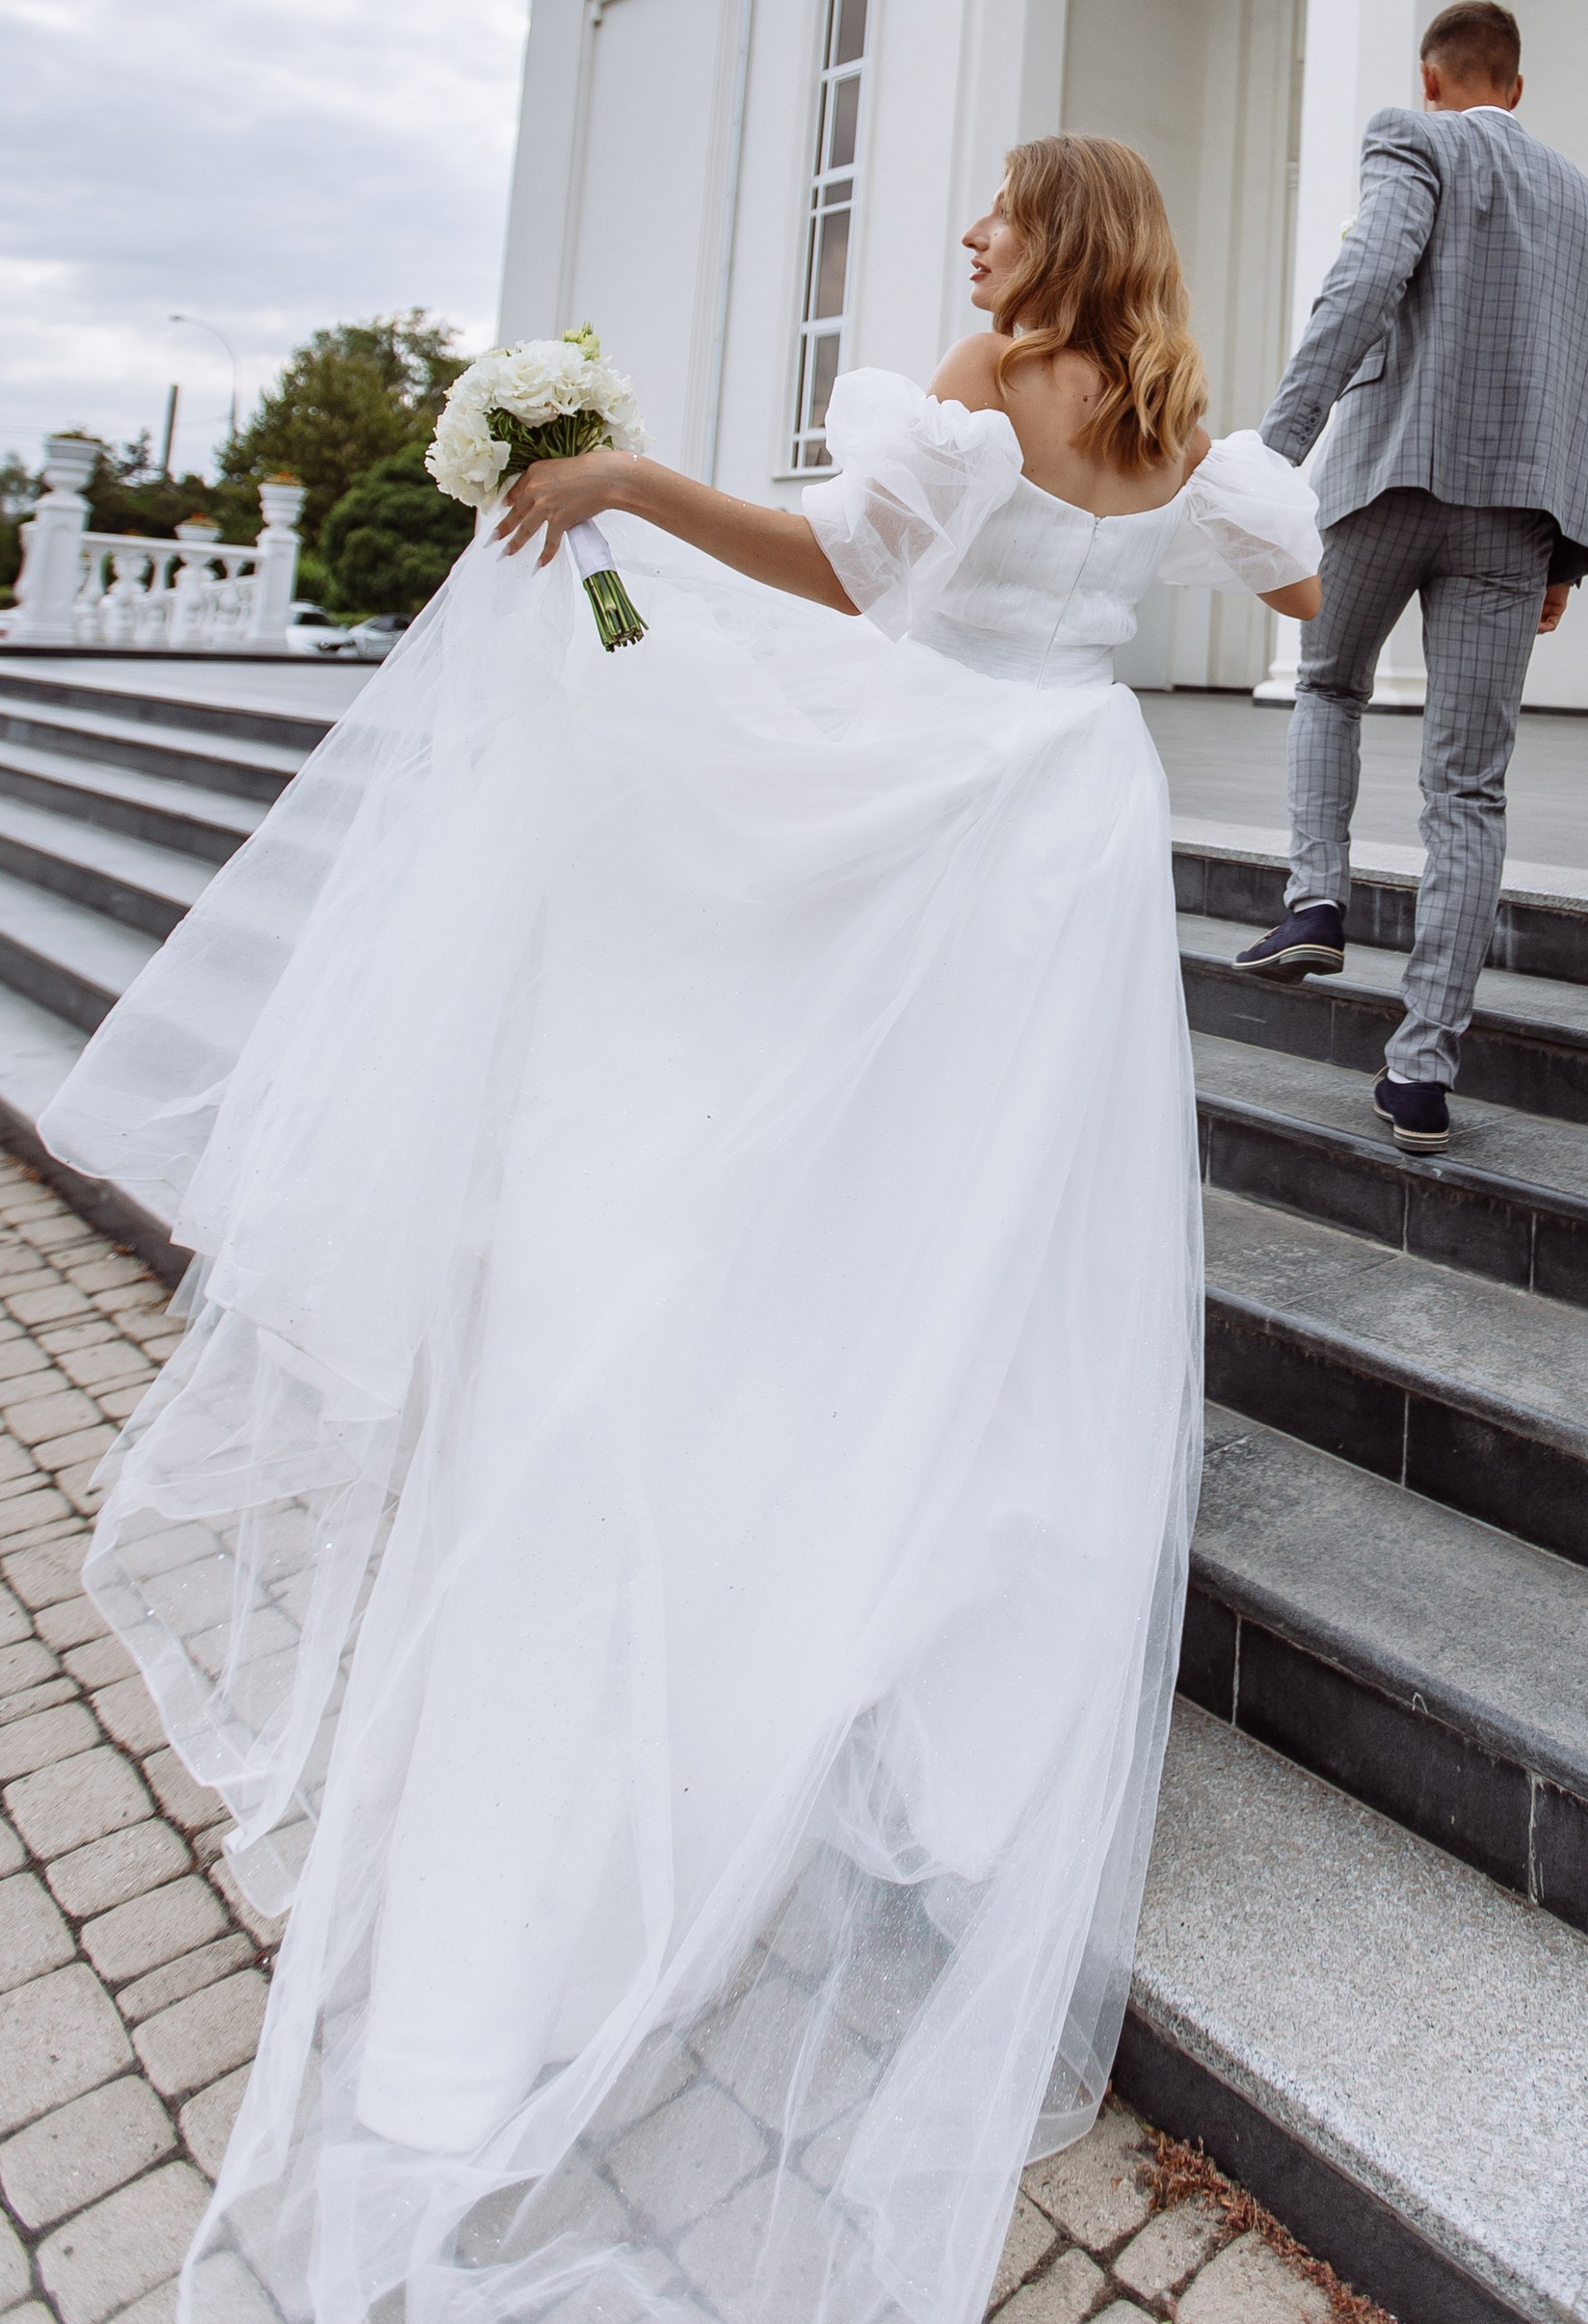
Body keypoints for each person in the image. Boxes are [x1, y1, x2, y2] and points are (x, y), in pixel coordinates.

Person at [38, 137, 1320, 2324]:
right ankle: (950, 1579)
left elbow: (831, 570)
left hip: (953, 814)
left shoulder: (993, 378)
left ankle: (812, 1521)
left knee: (843, 1160)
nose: (968, 240)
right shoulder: (1183, 426)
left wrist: (627, 483)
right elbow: (1313, 590)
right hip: (1073, 832)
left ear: (1062, 235)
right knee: (1008, 1220)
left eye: (997, 214)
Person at [1242, 1, 1588, 1154]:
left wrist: (1274, 456)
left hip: (1387, 475)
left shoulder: (1413, 139)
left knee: (1327, 684)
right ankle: (1418, 1075)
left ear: (1433, 79)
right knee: (1466, 791)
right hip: (1517, 516)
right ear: (1513, 85)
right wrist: (1568, 544)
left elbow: (1360, 284)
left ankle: (1316, 894)